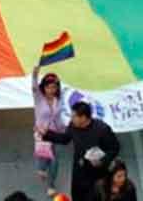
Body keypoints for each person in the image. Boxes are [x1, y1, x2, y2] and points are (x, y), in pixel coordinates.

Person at [41, 101, 121, 201]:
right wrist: (47, 134)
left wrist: (102, 160)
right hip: (79, 170)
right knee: (77, 196)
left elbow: (114, 148)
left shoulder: (102, 129)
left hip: (96, 174)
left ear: (83, 118)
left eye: (74, 116)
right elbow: (65, 139)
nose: (71, 119)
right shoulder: (73, 126)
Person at [33, 65, 65, 197]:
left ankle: (51, 185)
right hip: (41, 132)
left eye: (54, 87)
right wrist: (35, 75)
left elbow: (58, 117)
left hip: (55, 132)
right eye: (49, 87)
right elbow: (34, 87)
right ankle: (41, 168)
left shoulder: (58, 100)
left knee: (55, 160)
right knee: (44, 155)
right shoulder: (39, 98)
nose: (51, 90)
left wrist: (63, 130)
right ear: (44, 88)